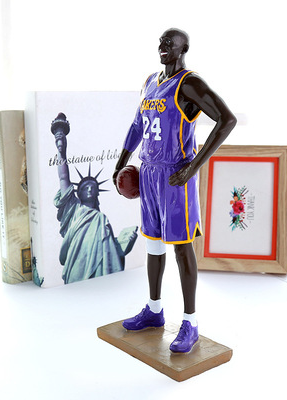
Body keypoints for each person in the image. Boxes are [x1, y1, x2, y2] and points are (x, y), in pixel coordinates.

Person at [113, 28, 237, 353]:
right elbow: (137, 125)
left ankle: (190, 323)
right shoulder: (149, 82)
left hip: (175, 176)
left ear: (184, 49)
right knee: (153, 243)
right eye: (160, 42)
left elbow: (227, 120)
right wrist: (121, 162)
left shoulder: (189, 83)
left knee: (182, 247)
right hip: (148, 173)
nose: (162, 46)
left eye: (170, 42)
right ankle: (154, 310)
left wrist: (193, 166)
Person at [52, 113, 138, 284]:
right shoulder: (74, 209)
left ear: (98, 194)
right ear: (78, 193)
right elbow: (63, 177)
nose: (90, 189)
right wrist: (61, 150)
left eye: (93, 187)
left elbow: (109, 250)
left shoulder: (101, 219)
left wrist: (123, 242)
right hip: (78, 259)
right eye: (85, 187)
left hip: (103, 271)